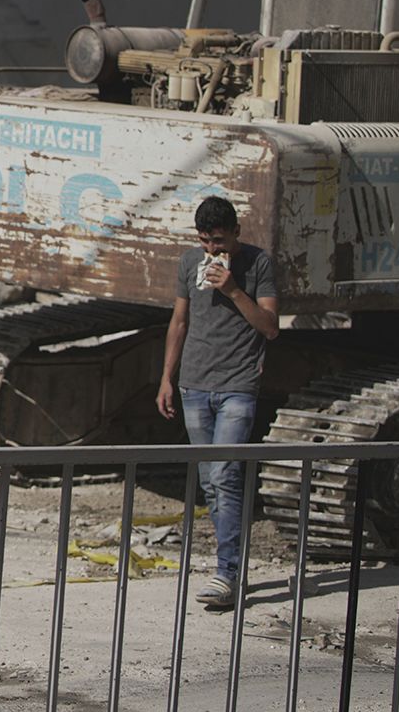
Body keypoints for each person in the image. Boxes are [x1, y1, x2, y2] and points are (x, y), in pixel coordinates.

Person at [156, 195, 279, 609]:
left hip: (237, 386)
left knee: (225, 475)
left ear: (236, 233)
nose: (213, 249)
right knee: (210, 479)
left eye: (220, 241)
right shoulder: (190, 262)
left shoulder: (258, 264)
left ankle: (227, 572)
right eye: (206, 241)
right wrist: (166, 379)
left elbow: (270, 327)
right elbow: (180, 321)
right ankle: (231, 567)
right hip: (194, 384)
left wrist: (233, 289)